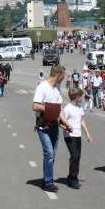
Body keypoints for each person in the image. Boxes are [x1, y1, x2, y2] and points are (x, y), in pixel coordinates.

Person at [32, 65, 71, 193]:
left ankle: (46, 178)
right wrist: (49, 109)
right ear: (58, 74)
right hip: (43, 125)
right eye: (63, 75)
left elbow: (59, 110)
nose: (64, 78)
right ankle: (49, 182)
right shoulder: (42, 87)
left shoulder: (57, 88)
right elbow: (35, 105)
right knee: (48, 153)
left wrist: (66, 123)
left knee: (52, 155)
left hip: (55, 125)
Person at [63, 87, 93, 189]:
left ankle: (71, 176)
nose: (82, 97)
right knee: (75, 156)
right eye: (81, 96)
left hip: (78, 135)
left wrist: (87, 134)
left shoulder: (80, 108)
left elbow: (82, 121)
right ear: (76, 97)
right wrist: (67, 127)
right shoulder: (67, 108)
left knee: (77, 157)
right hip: (69, 136)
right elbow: (61, 122)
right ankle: (73, 178)